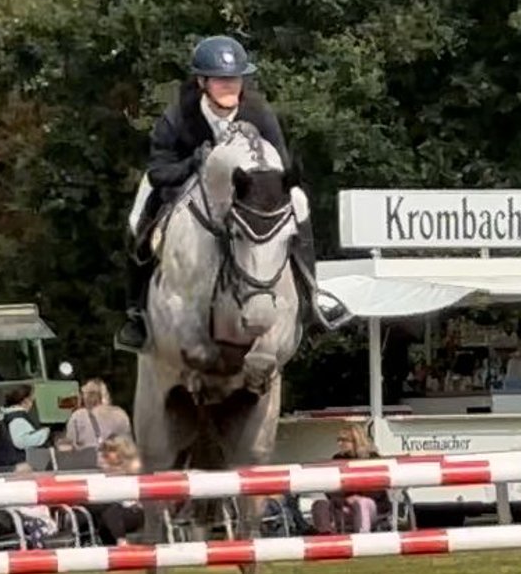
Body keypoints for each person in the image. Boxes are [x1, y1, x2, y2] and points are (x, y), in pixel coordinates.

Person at [117, 34, 351, 351]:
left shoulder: (258, 112)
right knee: (136, 218)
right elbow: (159, 171)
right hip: (185, 180)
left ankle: (312, 297)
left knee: (299, 200)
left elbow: (278, 165)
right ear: (202, 81)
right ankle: (137, 314)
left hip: (250, 188)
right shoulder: (178, 116)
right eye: (220, 80)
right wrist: (192, 164)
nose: (229, 87)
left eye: (234, 79)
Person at [310, 426, 386, 534]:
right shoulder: (337, 459)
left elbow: (379, 489)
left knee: (361, 503)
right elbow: (330, 486)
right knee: (319, 504)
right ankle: (326, 535)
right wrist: (343, 500)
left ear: (356, 441)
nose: (340, 443)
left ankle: (362, 536)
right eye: (338, 440)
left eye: (344, 440)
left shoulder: (373, 459)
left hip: (370, 503)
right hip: (343, 503)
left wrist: (358, 496)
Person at [87, 435, 145, 546]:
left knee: (111, 509)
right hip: (109, 514)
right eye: (104, 453)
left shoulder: (136, 469)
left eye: (110, 451)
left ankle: (121, 541)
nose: (105, 456)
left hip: (134, 511)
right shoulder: (103, 473)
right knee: (102, 508)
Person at [0, 385, 50, 467]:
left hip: (10, 462)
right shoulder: (18, 419)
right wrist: (45, 433)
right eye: (32, 400)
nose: (32, 404)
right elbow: (20, 441)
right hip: (19, 464)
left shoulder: (8, 416)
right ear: (25, 401)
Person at [65, 379, 131, 450]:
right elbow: (128, 443)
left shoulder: (78, 416)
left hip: (88, 459)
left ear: (85, 397)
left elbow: (70, 445)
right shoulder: (120, 413)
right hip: (114, 459)